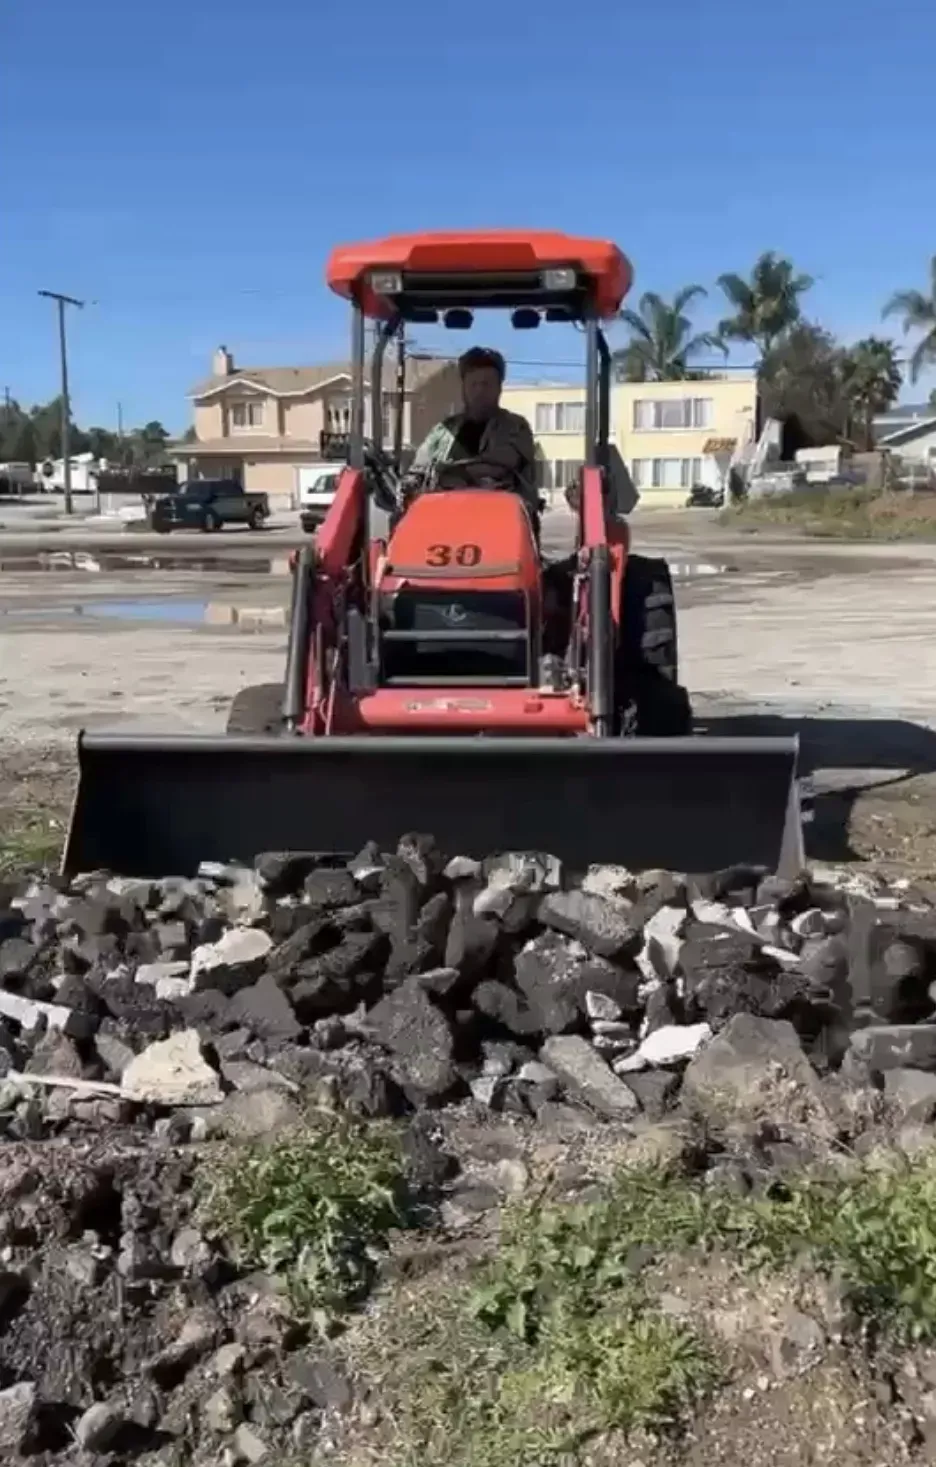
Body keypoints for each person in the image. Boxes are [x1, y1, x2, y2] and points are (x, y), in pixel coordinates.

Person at [404, 346, 540, 515]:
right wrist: (410, 484)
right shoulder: (444, 430)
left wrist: (468, 475)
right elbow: (419, 469)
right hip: (444, 515)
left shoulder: (516, 427)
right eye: (474, 384)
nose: (480, 391)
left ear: (499, 388)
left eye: (487, 384)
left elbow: (511, 470)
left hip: (501, 517)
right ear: (464, 388)